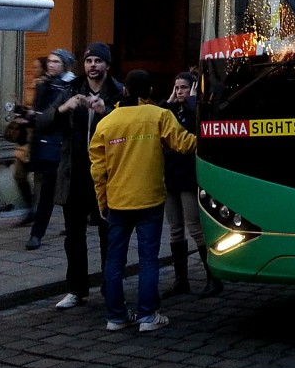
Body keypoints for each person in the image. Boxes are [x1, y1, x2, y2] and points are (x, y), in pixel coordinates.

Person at [90, 69, 196, 333]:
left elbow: (97, 169)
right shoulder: (158, 115)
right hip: (149, 198)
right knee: (148, 258)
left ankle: (115, 316)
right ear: (149, 91)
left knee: (114, 260)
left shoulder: (107, 122)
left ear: (124, 90)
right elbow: (184, 144)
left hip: (117, 200)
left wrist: (102, 201)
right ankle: (147, 315)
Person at [38, 42, 124, 310]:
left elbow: (130, 127)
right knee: (73, 235)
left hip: (106, 175)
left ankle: (110, 288)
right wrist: (64, 108)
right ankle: (76, 289)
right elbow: (44, 121)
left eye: (98, 61)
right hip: (74, 172)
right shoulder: (72, 89)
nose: (93, 66)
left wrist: (106, 113)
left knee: (108, 234)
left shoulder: (118, 92)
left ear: (107, 66)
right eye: (89, 61)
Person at [161, 72, 222, 298]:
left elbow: (200, 127)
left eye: (184, 88)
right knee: (175, 229)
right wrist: (169, 102)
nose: (179, 92)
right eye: (176, 88)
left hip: (187, 177)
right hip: (170, 177)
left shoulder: (195, 109)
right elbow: (158, 115)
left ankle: (213, 277)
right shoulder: (170, 110)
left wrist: (192, 101)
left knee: (195, 227)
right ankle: (181, 280)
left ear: (193, 89)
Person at [24, 49, 77, 250]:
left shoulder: (71, 86)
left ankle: (45, 232)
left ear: (65, 65)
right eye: (50, 61)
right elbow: (41, 114)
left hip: (63, 145)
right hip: (44, 143)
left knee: (61, 189)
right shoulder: (44, 84)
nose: (51, 64)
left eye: (56, 61)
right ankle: (38, 233)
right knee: (47, 190)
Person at [11, 56, 46, 228]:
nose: (33, 69)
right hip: (26, 139)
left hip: (40, 139)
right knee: (19, 174)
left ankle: (38, 213)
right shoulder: (32, 85)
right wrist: (21, 112)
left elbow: (45, 113)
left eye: (36, 66)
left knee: (42, 180)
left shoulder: (46, 86)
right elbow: (30, 108)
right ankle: (31, 207)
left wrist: (30, 118)